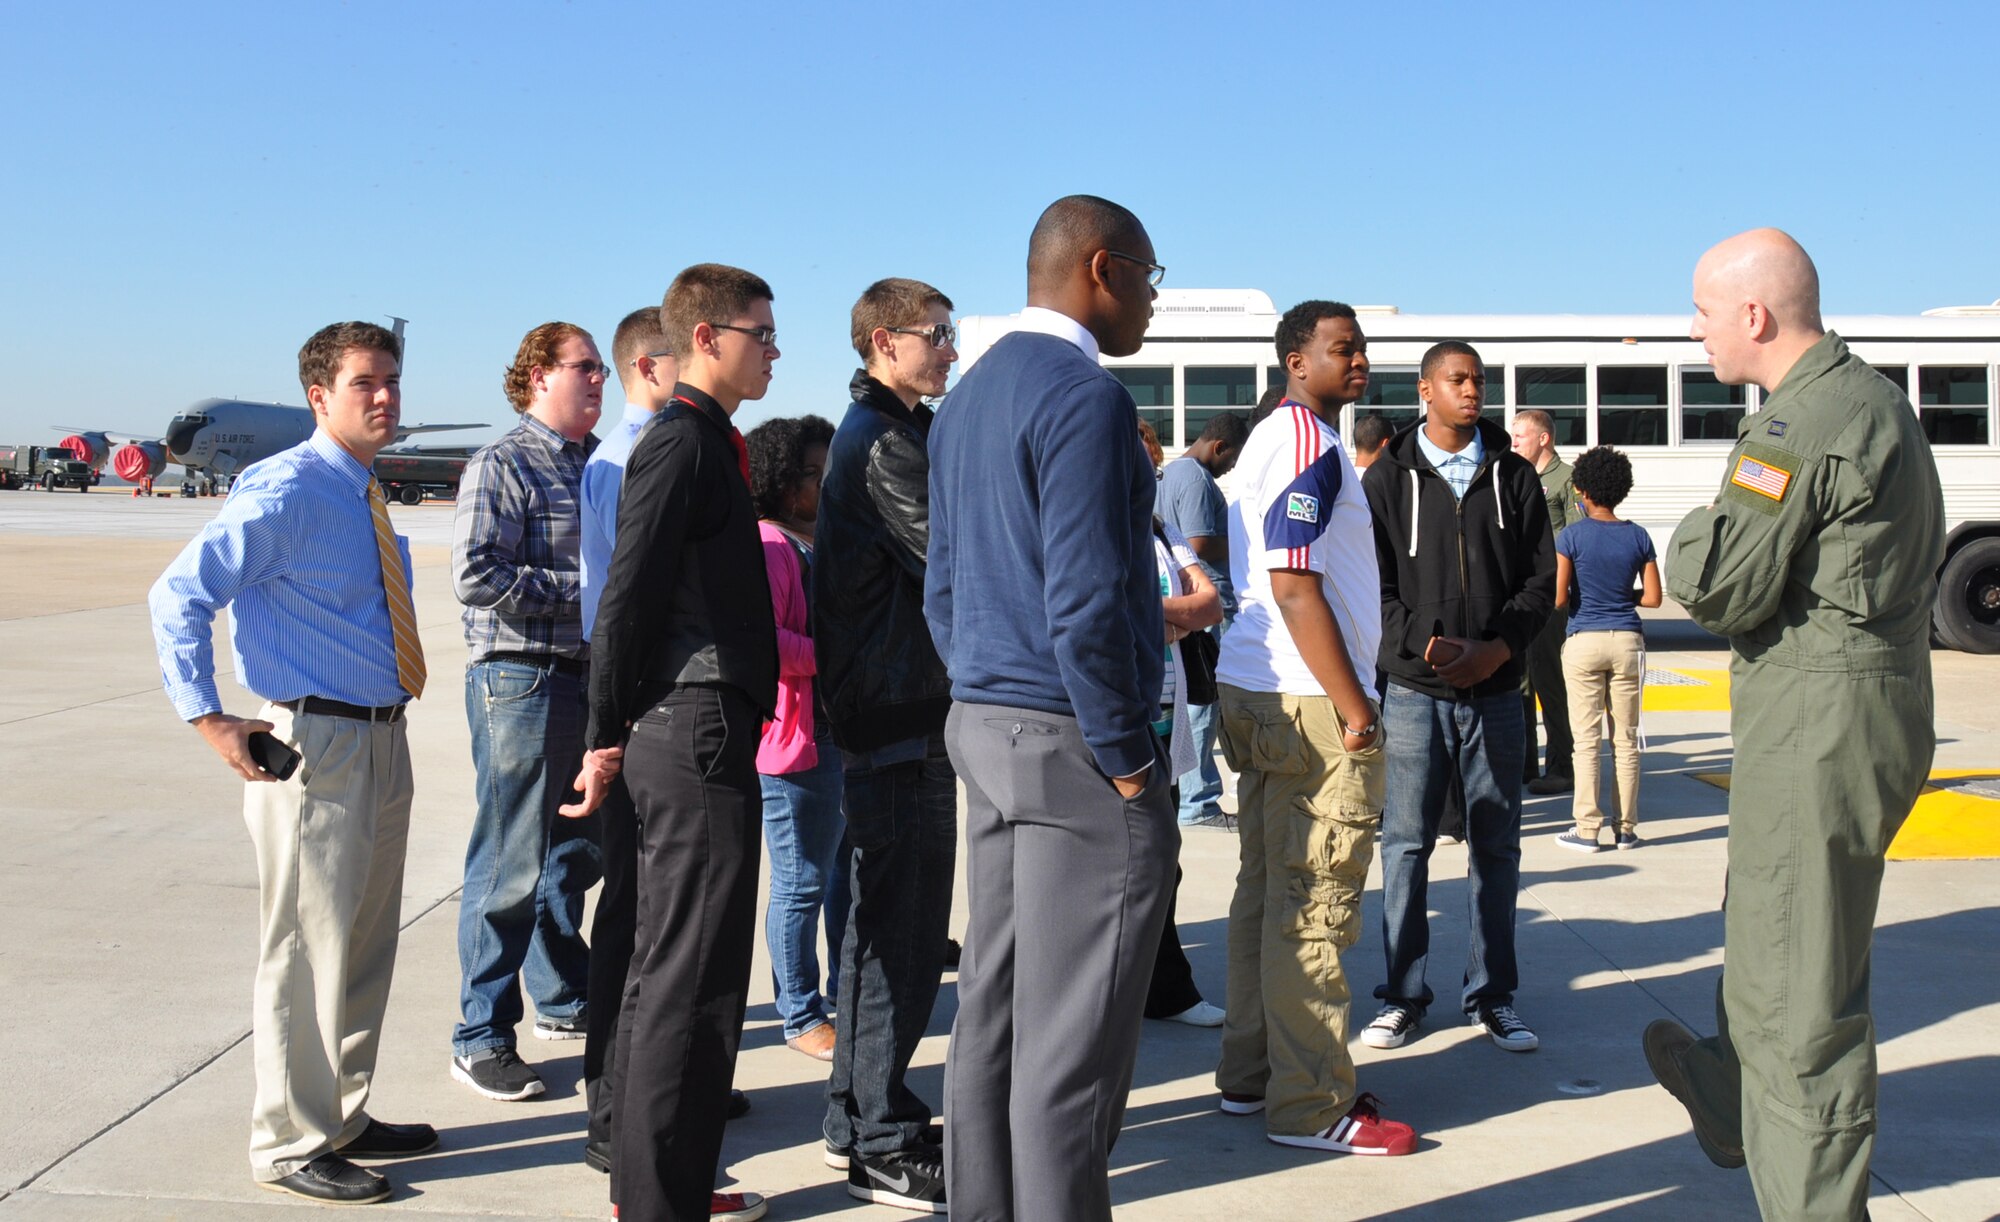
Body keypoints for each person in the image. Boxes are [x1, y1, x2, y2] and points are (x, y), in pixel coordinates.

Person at [1644, 228, 1943, 1221]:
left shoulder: (1798, 423)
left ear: (1753, 315)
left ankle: (1806, 1189)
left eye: (1701, 311)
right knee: (1775, 939)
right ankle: (1729, 1093)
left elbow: (1713, 581)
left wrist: (1692, 530)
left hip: (1818, 725)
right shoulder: (1868, 398)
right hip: (1851, 714)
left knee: (1797, 1012)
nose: (1693, 331)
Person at [926, 194, 1177, 1220]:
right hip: (1071, 739)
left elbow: (943, 587)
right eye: (1149, 277)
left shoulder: (968, 394)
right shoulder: (1084, 396)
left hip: (985, 721)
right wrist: (1126, 757)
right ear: (1101, 268)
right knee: (1071, 1052)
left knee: (993, 1011)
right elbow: (1084, 599)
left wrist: (983, 688)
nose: (1153, 300)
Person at [149, 321, 433, 1205]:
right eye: (364, 384)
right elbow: (179, 594)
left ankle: (338, 1112)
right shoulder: (286, 488)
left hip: (382, 734)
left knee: (363, 941)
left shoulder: (362, 491)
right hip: (318, 741)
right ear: (319, 397)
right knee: (307, 948)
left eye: (391, 380)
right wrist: (209, 718)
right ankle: (288, 1140)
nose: (385, 396)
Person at [566, 263, 782, 1222]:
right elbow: (629, 595)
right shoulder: (680, 444)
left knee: (692, 971)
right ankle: (658, 1199)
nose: (772, 350)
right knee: (687, 975)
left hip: (702, 723)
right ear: (705, 338)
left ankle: (665, 1185)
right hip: (689, 725)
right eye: (760, 333)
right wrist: (602, 735)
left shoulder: (709, 442)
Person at [1211, 300, 1416, 1156]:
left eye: (1362, 347)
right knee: (1316, 909)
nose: (1359, 360)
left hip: (1259, 686)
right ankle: (1310, 1105)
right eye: (1342, 348)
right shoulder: (1307, 443)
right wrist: (1357, 707)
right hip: (1308, 698)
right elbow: (1295, 582)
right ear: (1297, 361)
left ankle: (1252, 1074)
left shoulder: (1270, 437)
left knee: (1267, 894)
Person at [1360, 340, 1555, 1055]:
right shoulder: (1386, 478)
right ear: (1426, 390)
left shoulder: (1514, 475)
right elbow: (1373, 587)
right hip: (1415, 693)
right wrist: (1432, 647)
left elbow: (1541, 582)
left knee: (1496, 847)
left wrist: (1497, 649)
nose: (1472, 391)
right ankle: (1402, 997)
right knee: (1405, 845)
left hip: (1498, 693)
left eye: (1478, 380)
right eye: (1457, 379)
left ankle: (1492, 996)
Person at [814, 277, 960, 1212]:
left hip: (896, 713)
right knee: (901, 936)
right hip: (900, 719)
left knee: (883, 931)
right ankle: (883, 1140)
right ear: (882, 342)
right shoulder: (883, 443)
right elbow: (955, 561)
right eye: (934, 333)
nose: (949, 348)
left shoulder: (897, 431)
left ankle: (855, 1116)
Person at [448, 321, 605, 1103]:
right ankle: (480, 1035)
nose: (599, 380)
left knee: (575, 851)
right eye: (584, 368)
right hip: (522, 678)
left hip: (586, 679)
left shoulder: (599, 462)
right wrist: (589, 594)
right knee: (509, 862)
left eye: (602, 369)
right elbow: (476, 573)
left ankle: (563, 995)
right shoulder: (503, 462)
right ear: (539, 376)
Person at [746, 415, 849, 1065]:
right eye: (814, 473)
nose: (825, 483)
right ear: (782, 482)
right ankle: (799, 1013)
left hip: (835, 736)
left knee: (838, 875)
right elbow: (766, 642)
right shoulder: (770, 544)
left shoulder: (817, 541)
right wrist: (837, 657)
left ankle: (842, 989)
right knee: (800, 882)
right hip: (795, 743)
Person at [1142, 495, 1226, 1030]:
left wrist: (1153, 615)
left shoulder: (1161, 530)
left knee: (1162, 861)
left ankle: (1163, 991)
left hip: (1164, 724)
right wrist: (1176, 618)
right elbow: (1098, 606)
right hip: (1111, 721)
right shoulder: (1088, 516)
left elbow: (1210, 605)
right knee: (1130, 864)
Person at [1551, 446, 1660, 853]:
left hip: (1584, 640)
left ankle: (1587, 829)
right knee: (1625, 740)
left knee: (1586, 741)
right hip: (1628, 641)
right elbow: (1653, 598)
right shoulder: (1638, 536)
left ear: (1581, 491)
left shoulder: (1571, 536)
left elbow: (1559, 598)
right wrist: (1623, 596)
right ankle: (1626, 828)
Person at [1156, 411, 1248, 830]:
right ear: (1219, 446)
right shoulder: (1195, 478)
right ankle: (1198, 802)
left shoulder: (1173, 473)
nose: (1231, 467)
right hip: (1206, 605)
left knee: (1194, 700)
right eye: (1232, 458)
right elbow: (1196, 541)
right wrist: (1245, 540)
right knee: (1203, 704)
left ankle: (1191, 797)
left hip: (1190, 604)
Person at [1509, 409, 1583, 795]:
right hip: (1521, 593)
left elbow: (1576, 537)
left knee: (1548, 679)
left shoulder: (1566, 480)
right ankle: (1523, 763)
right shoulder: (1517, 478)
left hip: (1551, 597)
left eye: (1520, 436)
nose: (1513, 442)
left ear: (1543, 439)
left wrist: (1564, 593)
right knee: (1519, 681)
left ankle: (1560, 765)